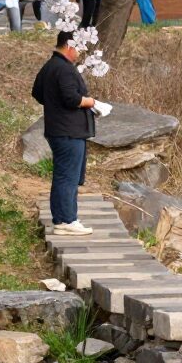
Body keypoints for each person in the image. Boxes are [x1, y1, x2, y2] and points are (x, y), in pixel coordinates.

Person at [31, 33, 112, 235]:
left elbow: (38, 93)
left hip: (59, 128)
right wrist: (93, 103)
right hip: (68, 131)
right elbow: (72, 99)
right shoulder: (64, 69)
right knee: (68, 176)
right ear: (69, 45)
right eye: (79, 48)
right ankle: (67, 219)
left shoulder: (50, 66)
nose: (80, 53)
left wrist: (53, 104)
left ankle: (63, 219)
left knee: (64, 175)